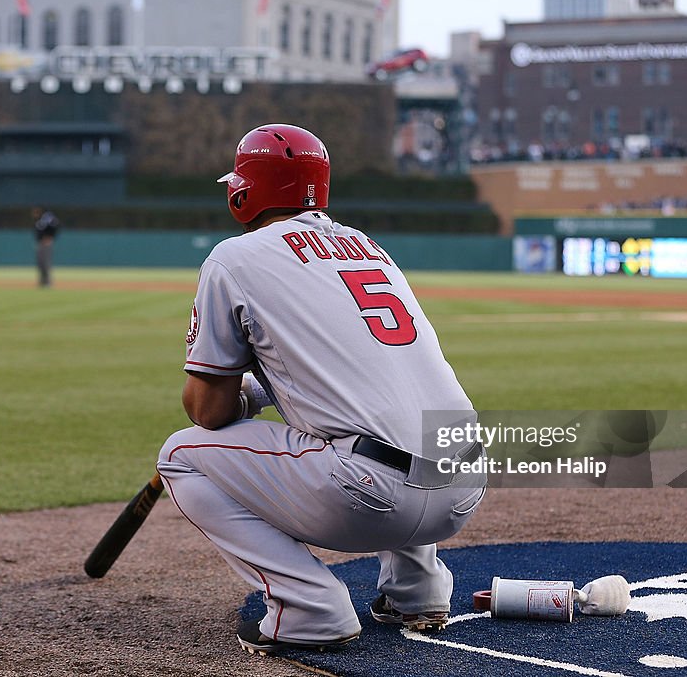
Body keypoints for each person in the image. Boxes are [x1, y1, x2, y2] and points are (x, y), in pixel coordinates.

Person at [155, 124, 484, 655]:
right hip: (465, 481)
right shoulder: (368, 246)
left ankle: (309, 609)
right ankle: (418, 591)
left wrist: (243, 393)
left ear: (247, 189)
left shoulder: (234, 258)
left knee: (180, 454)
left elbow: (208, 411)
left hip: (371, 497)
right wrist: (263, 389)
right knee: (400, 419)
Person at [32, 207, 60, 288]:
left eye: (35, 212)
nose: (33, 214)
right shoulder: (39, 221)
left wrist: (50, 237)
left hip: (46, 244)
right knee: (40, 263)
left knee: (46, 263)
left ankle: (48, 282)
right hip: (40, 243)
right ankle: (42, 282)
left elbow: (56, 225)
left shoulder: (47, 217)